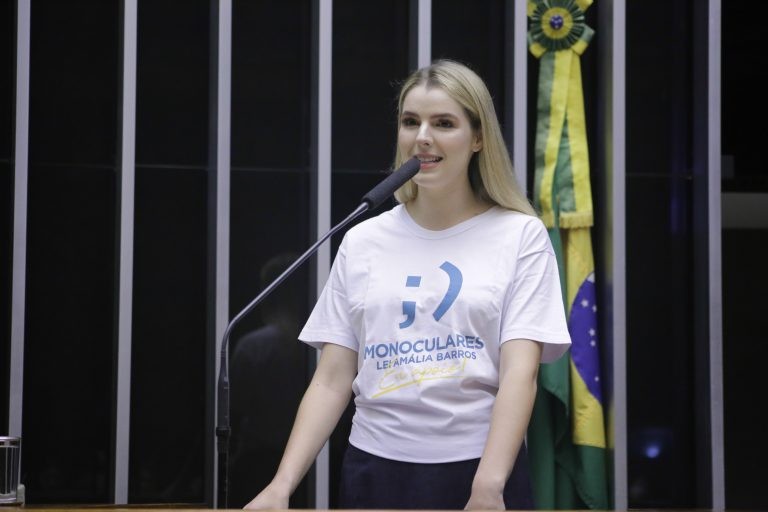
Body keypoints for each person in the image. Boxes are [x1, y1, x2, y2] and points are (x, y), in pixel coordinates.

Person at [244, 59, 570, 510]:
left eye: (444, 123)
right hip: (373, 469)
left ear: (478, 138)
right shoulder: (363, 238)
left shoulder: (519, 236)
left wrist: (489, 486)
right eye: (410, 122)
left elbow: (521, 374)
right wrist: (281, 487)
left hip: (478, 468)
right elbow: (332, 379)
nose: (423, 136)